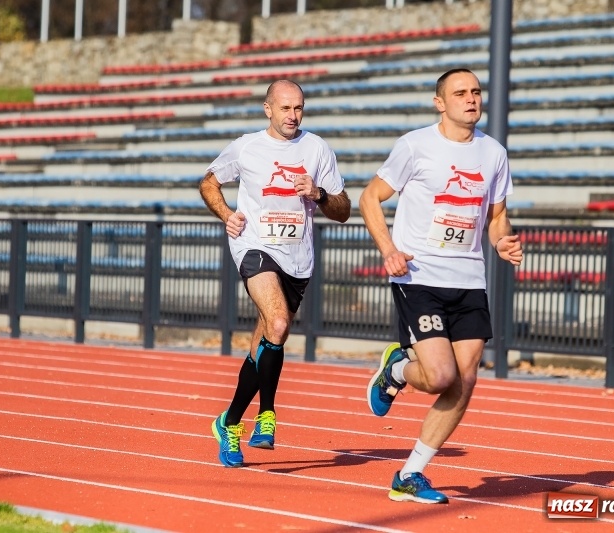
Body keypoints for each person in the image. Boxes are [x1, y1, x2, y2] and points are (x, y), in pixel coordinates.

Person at [359, 68, 524, 503]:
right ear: (440, 102)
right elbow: (370, 196)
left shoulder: (494, 153)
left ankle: (410, 473)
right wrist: (388, 248)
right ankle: (396, 368)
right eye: (460, 93)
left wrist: (502, 241)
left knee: (465, 380)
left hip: (469, 280)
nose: (471, 99)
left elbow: (494, 217)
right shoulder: (416, 145)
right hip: (419, 276)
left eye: (475, 92)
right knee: (438, 376)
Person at [199, 79, 351, 468]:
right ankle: (267, 416)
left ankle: (229, 421)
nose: (293, 116)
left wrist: (317, 194)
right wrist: (227, 215)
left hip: (297, 258)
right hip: (254, 246)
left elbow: (344, 208)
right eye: (285, 108)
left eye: (298, 108)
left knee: (265, 340)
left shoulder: (317, 149)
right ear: (268, 109)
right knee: (279, 323)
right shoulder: (246, 147)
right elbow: (209, 182)